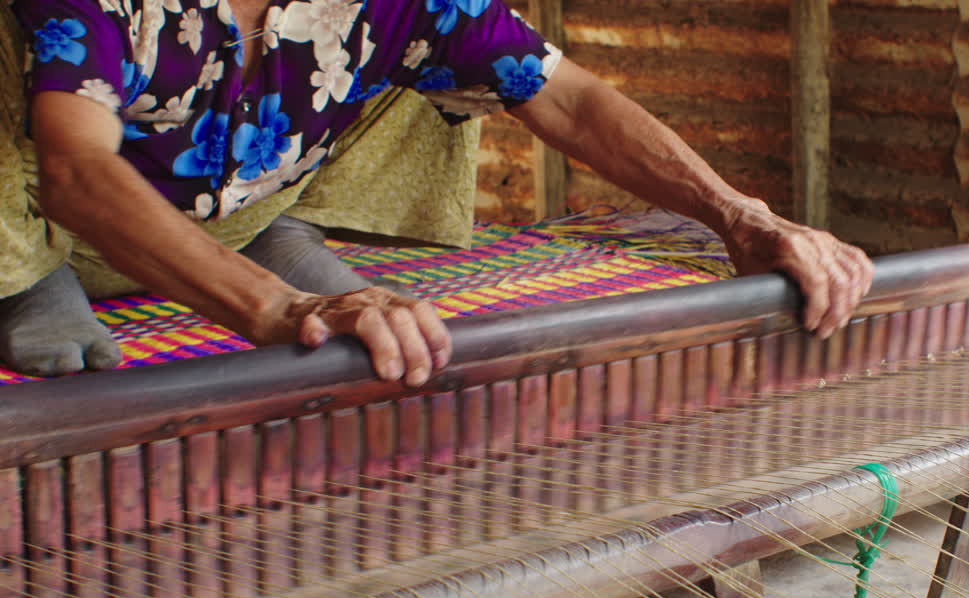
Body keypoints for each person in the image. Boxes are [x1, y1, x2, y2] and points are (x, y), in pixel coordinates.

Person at [2, 0, 873, 387]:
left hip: (223, 192)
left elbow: (564, 94)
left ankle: (265, 226)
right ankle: (27, 278)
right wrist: (279, 309)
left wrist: (740, 216)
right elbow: (78, 171)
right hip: (47, 199)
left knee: (470, 67)